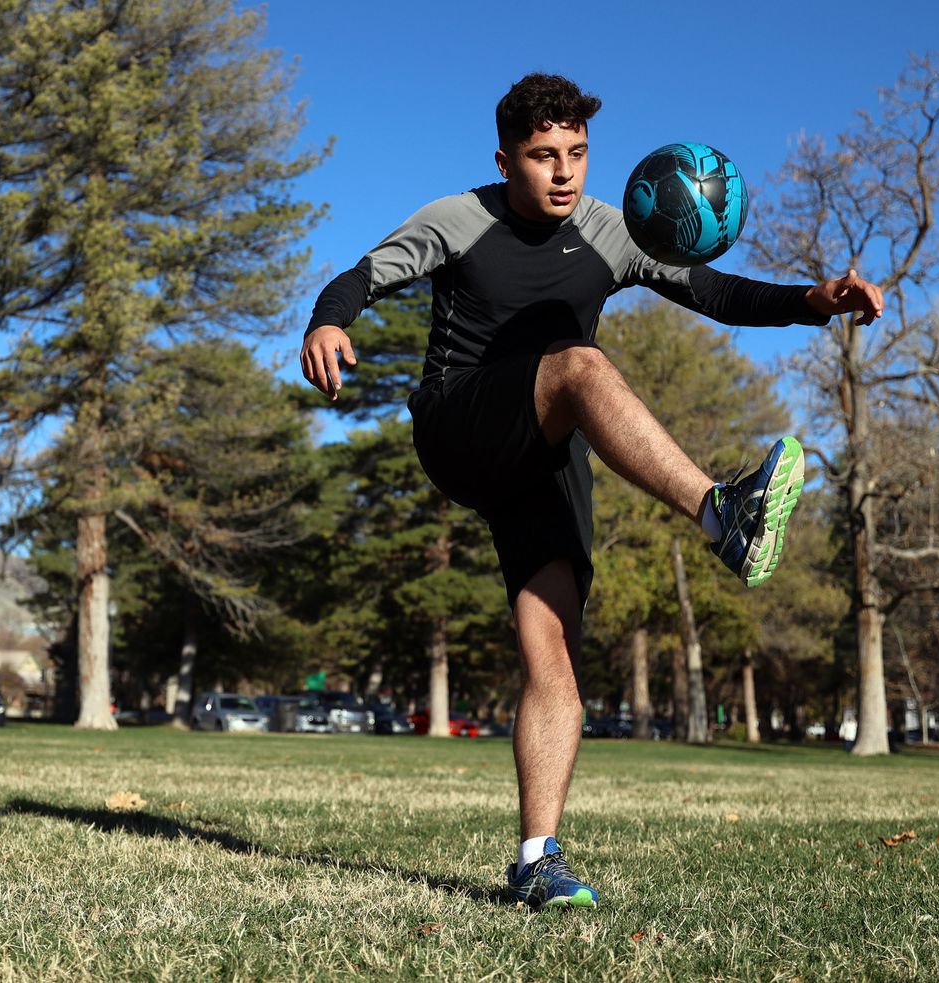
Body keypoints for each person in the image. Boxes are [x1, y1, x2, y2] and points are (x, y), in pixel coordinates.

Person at [300, 73, 883, 910]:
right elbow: (360, 278)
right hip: (461, 423)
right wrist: (329, 322)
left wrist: (812, 300)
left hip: (543, 456)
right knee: (582, 365)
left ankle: (537, 860)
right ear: (506, 160)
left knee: (555, 654)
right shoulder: (459, 218)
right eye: (544, 156)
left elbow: (711, 290)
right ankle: (722, 515)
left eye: (576, 154)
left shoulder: (610, 231)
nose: (564, 173)